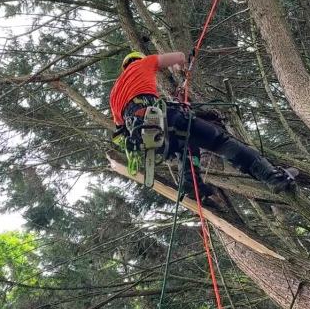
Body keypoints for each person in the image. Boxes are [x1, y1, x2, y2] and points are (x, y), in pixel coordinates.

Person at [110, 50, 296, 200]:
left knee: (187, 145)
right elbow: (179, 57)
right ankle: (272, 176)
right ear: (137, 60)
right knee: (220, 142)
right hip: (161, 118)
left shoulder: (114, 94)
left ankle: (191, 185)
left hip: (144, 134)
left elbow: (119, 128)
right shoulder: (144, 62)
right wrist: (180, 63)